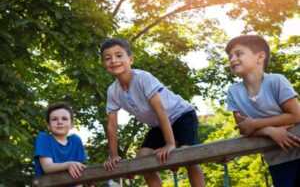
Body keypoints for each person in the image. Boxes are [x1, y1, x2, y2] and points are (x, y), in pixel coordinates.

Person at [101, 38, 205, 187]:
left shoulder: (143, 78)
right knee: (143, 160)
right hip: (159, 125)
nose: (113, 60)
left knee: (187, 154)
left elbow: (160, 110)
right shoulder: (113, 91)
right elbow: (112, 125)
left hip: (181, 115)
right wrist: (113, 156)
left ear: (130, 59)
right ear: (105, 64)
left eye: (118, 55)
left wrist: (170, 144)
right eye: (107, 58)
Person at [226, 34, 300, 187]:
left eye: (238, 54)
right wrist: (269, 131)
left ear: (260, 57)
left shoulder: (276, 81)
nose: (232, 59)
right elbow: (244, 128)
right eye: (230, 56)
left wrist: (256, 123)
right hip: (277, 159)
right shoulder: (233, 91)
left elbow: (296, 115)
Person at [34, 102, 87, 186]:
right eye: (54, 119)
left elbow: (78, 174)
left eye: (64, 119)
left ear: (72, 124)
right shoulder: (44, 138)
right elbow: (47, 167)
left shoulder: (76, 140)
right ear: (48, 125)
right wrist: (68, 165)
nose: (59, 122)